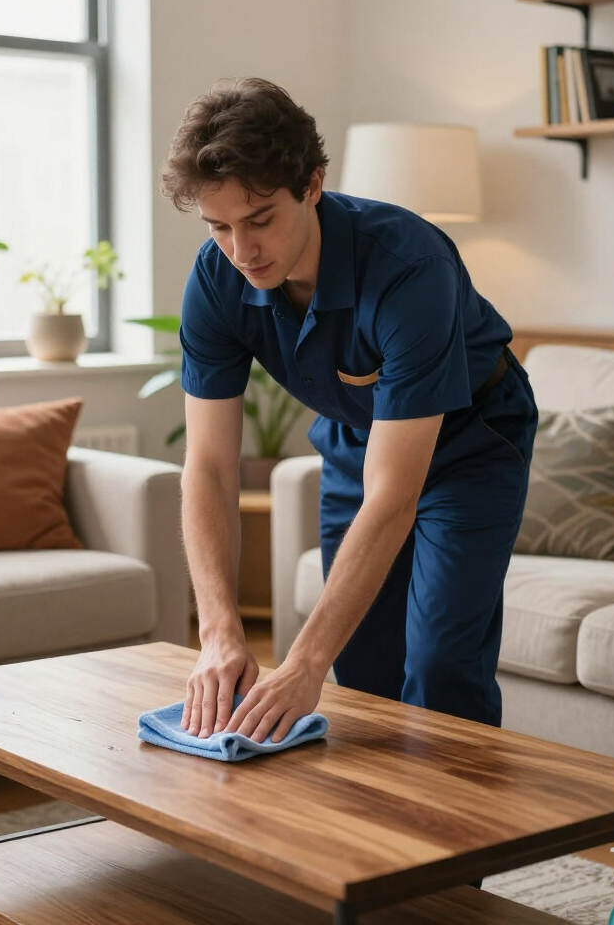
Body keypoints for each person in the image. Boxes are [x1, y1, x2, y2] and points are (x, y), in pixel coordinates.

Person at [164, 77, 538, 746]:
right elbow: (210, 468)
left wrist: (304, 663)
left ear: (312, 184)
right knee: (363, 665)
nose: (241, 252)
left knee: (439, 663)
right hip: (356, 434)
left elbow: (394, 497)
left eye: (260, 220)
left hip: (473, 441)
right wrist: (218, 633)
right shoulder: (217, 278)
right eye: (219, 227)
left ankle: (474, 844)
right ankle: (379, 847)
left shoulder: (408, 264)